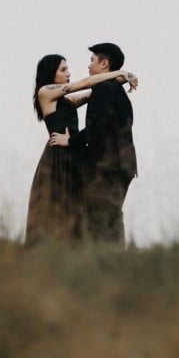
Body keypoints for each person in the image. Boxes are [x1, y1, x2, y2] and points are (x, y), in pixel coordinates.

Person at [25, 54, 137, 246]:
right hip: (58, 158)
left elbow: (96, 89)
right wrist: (119, 72)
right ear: (50, 72)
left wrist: (121, 79)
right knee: (56, 209)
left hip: (74, 156)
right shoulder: (45, 92)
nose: (68, 74)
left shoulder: (68, 101)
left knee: (77, 211)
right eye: (63, 70)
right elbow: (85, 83)